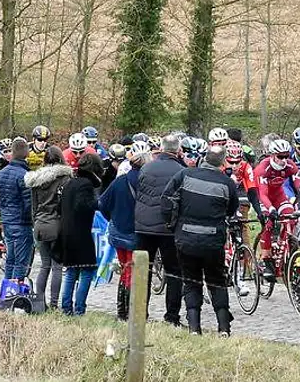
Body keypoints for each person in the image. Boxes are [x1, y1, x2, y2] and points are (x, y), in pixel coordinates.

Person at [162, 146, 239, 335]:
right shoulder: (227, 183)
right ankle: (224, 328)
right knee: (217, 281)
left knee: (191, 281)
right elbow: (231, 210)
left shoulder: (185, 175)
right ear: (223, 162)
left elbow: (166, 200)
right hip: (213, 240)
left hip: (186, 238)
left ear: (203, 157)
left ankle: (194, 327)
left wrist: (172, 225)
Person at [133, 133, 188, 327]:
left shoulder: (146, 168)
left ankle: (140, 313)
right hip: (169, 228)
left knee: (142, 271)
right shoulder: (181, 171)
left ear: (162, 149)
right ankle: (171, 316)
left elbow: (139, 192)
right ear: (178, 150)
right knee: (173, 272)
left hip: (143, 227)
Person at [99, 141, 145, 321]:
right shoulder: (145, 183)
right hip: (136, 231)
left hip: (118, 231)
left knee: (125, 268)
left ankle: (121, 312)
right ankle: (128, 312)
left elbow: (102, 203)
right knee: (132, 271)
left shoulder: (119, 182)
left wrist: (112, 218)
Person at [56, 152, 104, 315]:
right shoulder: (85, 185)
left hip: (67, 232)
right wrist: (98, 204)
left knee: (71, 271)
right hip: (81, 233)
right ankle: (79, 308)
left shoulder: (70, 183)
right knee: (87, 271)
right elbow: (83, 205)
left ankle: (66, 308)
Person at [25, 147, 72, 310]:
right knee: (57, 266)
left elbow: (33, 207)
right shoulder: (65, 178)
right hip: (57, 225)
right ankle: (53, 304)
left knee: (44, 265)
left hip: (39, 225)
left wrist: (35, 223)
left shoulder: (36, 180)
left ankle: (39, 302)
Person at [0, 139, 34, 282]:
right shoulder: (24, 175)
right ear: (26, 154)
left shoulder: (2, 173)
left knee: (10, 259)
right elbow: (28, 203)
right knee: (21, 261)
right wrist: (30, 220)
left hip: (7, 221)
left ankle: (6, 293)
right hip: (21, 222)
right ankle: (16, 293)